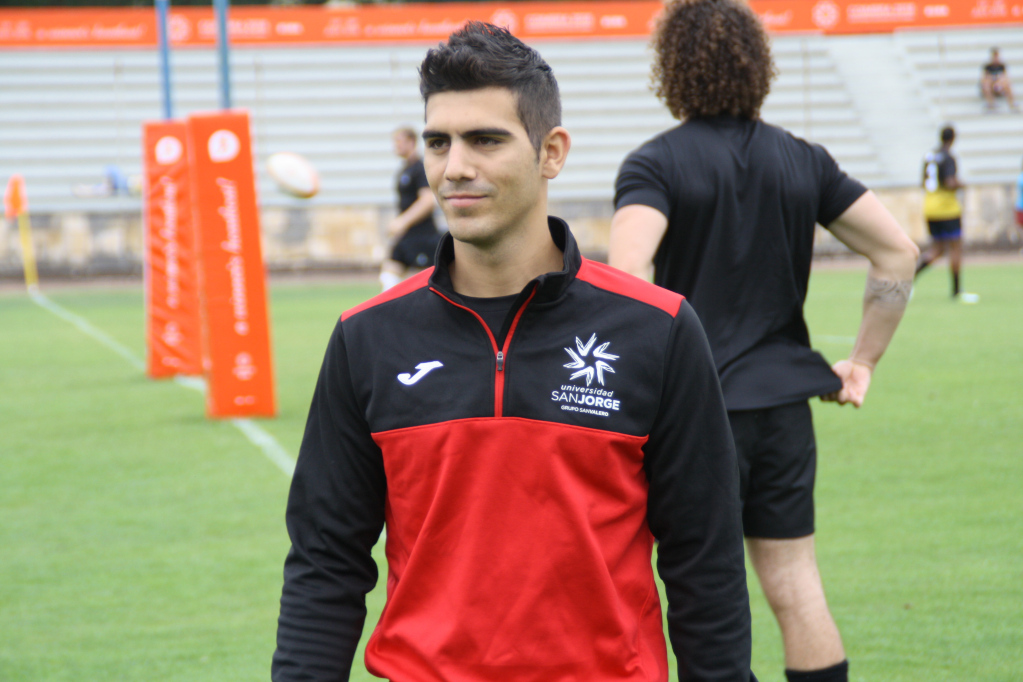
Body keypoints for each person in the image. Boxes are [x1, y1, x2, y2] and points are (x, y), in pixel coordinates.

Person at [273, 21, 757, 682]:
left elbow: (705, 558)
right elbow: (324, 558)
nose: (454, 167)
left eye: (486, 140)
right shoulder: (368, 336)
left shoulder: (657, 328)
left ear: (551, 152)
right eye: (438, 142)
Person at [608, 2, 920, 681]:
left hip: (698, 416)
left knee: (705, 589)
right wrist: (862, 361)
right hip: (783, 411)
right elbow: (898, 252)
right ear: (759, 66)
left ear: (670, 69)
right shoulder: (803, 160)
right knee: (795, 584)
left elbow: (628, 276)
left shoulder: (654, 165)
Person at [916, 125, 979, 302]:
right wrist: (962, 185)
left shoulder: (929, 156)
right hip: (947, 208)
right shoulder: (949, 157)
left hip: (930, 206)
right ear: (953, 138)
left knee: (936, 249)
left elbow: (923, 182)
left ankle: (908, 280)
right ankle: (956, 291)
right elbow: (950, 182)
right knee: (955, 247)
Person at [379, 126, 440, 290]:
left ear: (411, 142)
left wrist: (402, 221)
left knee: (425, 284)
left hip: (422, 236)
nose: (396, 146)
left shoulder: (420, 168)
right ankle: (390, 306)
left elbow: (427, 201)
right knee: (388, 274)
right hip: (407, 235)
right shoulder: (404, 170)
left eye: (399, 141)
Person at [980, 47, 1017, 111]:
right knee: (986, 83)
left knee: (1006, 82)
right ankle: (991, 103)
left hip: (999, 86)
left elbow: (1005, 76)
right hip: (990, 86)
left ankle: (1012, 103)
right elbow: (984, 78)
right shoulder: (988, 67)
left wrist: (998, 82)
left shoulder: (1002, 66)